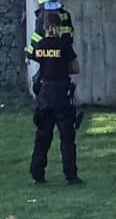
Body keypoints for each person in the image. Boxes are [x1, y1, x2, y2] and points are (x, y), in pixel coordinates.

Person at [27, 11, 82, 184]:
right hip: (62, 94)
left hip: (44, 94)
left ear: (43, 26)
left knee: (42, 136)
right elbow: (75, 68)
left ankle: (37, 172)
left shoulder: (40, 45)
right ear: (59, 26)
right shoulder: (64, 45)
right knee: (67, 137)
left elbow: (31, 59)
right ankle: (70, 175)